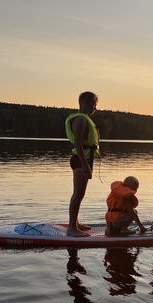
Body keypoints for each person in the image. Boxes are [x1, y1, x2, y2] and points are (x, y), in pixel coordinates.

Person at [65, 91, 100, 237]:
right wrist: (85, 164)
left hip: (83, 159)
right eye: (93, 105)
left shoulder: (83, 119)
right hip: (81, 160)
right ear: (84, 104)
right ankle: (72, 228)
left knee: (80, 193)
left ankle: (76, 223)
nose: (95, 108)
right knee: (78, 193)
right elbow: (78, 143)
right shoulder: (80, 120)